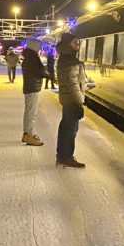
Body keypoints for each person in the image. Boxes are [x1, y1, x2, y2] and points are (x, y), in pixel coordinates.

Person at [55, 32, 89, 168]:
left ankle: (61, 156)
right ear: (68, 45)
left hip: (67, 99)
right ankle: (67, 158)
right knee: (71, 129)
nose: (78, 45)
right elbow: (73, 83)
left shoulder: (64, 59)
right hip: (72, 100)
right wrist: (79, 103)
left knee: (65, 127)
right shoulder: (71, 61)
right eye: (75, 42)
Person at [20, 40, 49, 146]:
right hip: (32, 88)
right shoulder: (33, 58)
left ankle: (26, 134)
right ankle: (30, 135)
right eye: (39, 46)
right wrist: (47, 73)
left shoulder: (28, 57)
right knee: (32, 113)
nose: (40, 48)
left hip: (29, 87)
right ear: (34, 47)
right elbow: (41, 71)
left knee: (29, 111)